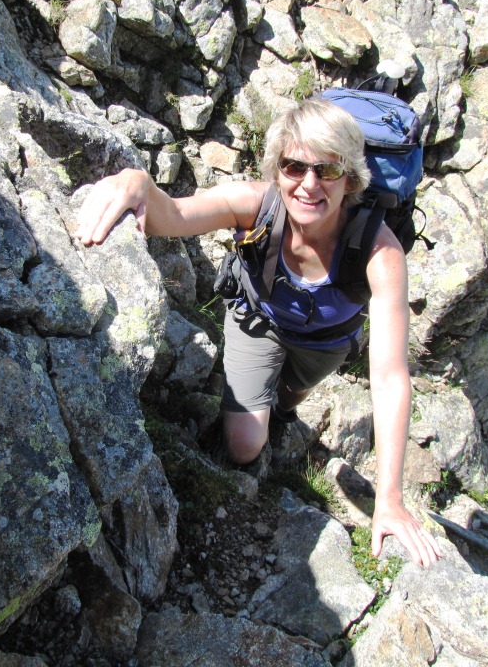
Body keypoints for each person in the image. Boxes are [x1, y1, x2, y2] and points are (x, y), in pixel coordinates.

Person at [75, 98, 442, 567]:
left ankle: (282, 410)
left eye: (327, 170)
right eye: (294, 166)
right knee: (245, 445)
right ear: (276, 170)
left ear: (350, 179)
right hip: (258, 323)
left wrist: (389, 497)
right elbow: (173, 216)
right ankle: (253, 415)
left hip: (326, 342)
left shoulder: (380, 252)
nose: (308, 184)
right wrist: (137, 182)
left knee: (289, 397)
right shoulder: (257, 205)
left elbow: (390, 378)